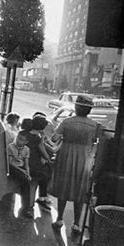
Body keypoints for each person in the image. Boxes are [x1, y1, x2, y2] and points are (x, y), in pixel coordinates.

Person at [50, 95, 99, 238]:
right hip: (84, 158)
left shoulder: (66, 122)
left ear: (76, 108)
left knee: (63, 185)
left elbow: (54, 138)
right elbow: (96, 141)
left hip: (65, 155)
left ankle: (59, 219)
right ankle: (77, 223)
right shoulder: (94, 125)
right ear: (89, 110)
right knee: (80, 189)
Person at [24, 115, 52, 218]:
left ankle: (42, 196)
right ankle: (32, 205)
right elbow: (45, 154)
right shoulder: (37, 138)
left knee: (44, 170)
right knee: (47, 170)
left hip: (22, 163)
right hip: (32, 167)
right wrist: (47, 158)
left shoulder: (24, 134)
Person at [7, 131, 32, 215]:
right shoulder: (10, 147)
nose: (18, 141)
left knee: (27, 181)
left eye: (22, 140)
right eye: (18, 138)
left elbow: (27, 164)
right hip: (13, 168)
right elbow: (10, 163)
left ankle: (26, 206)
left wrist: (28, 173)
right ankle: (27, 208)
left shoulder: (26, 149)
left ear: (26, 142)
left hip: (21, 168)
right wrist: (23, 171)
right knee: (25, 181)